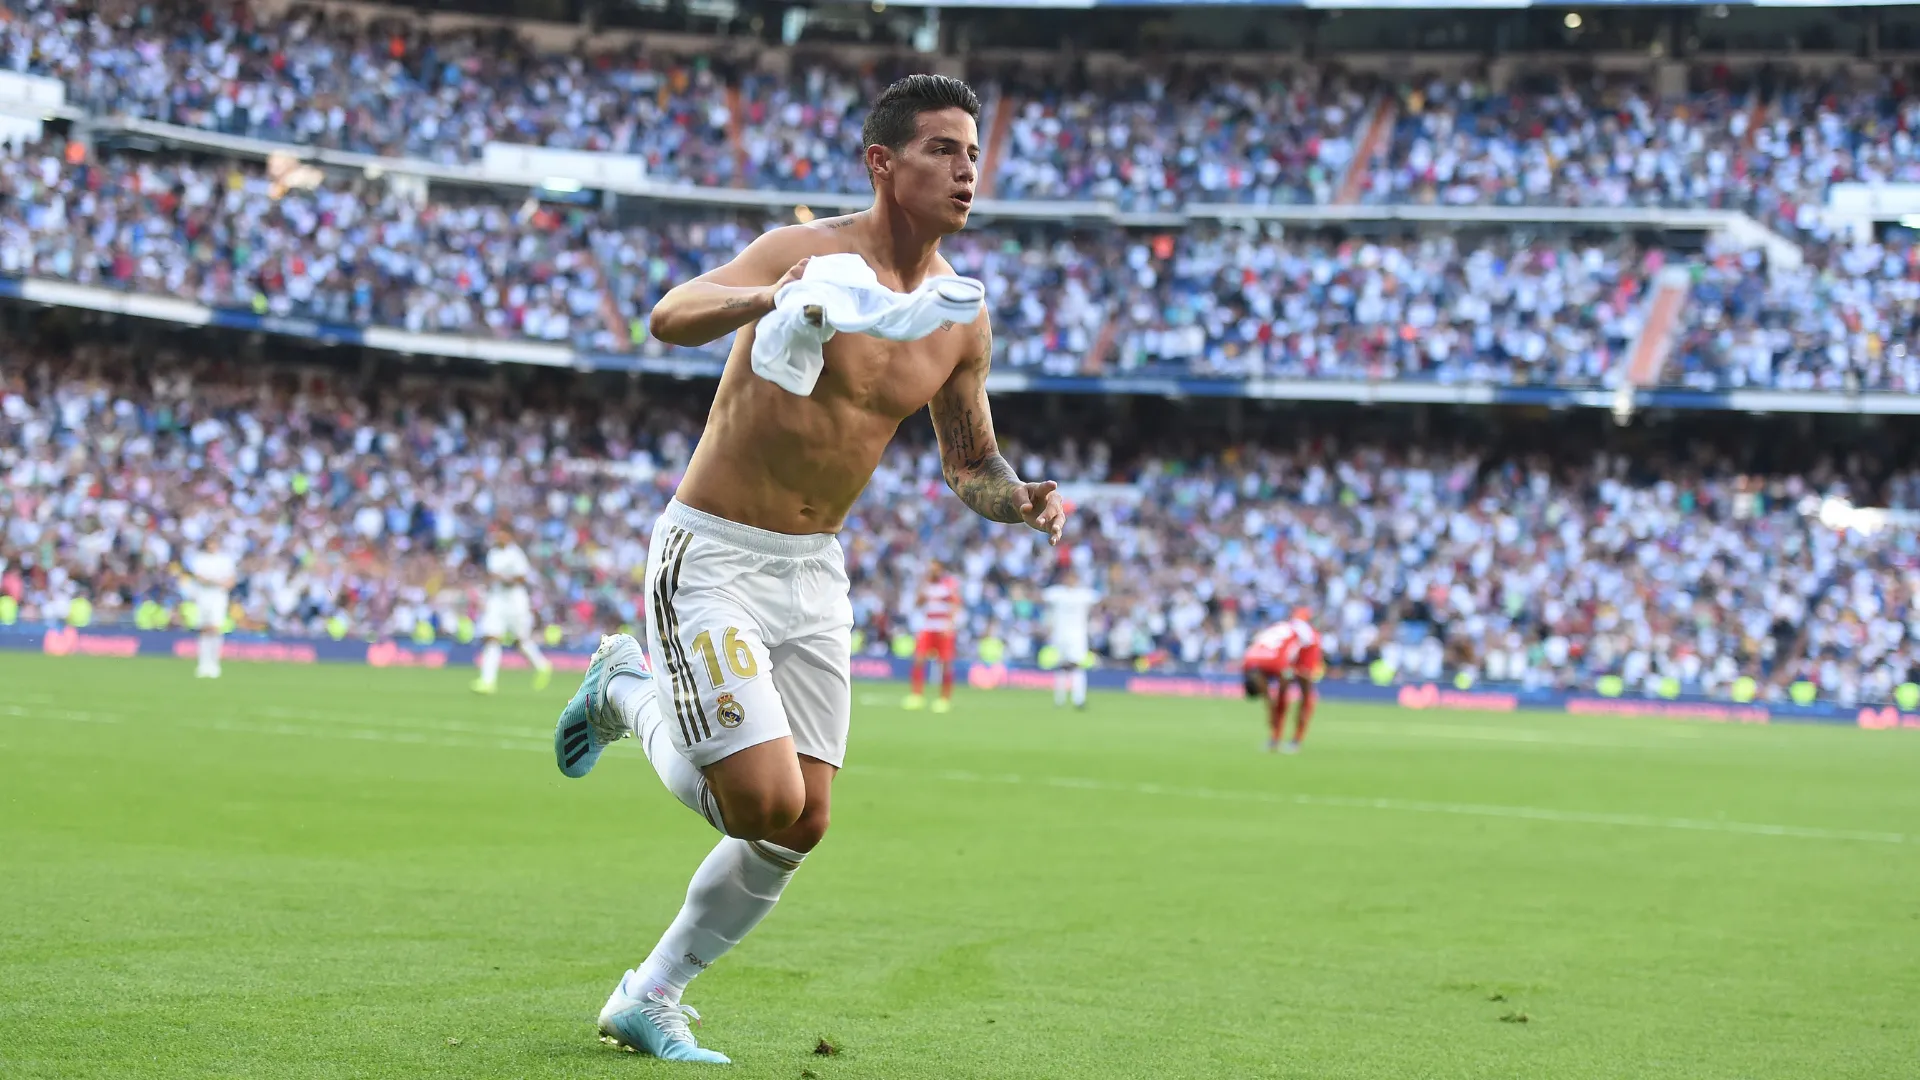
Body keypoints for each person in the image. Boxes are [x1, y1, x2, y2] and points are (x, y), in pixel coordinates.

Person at [546, 74, 1068, 1064]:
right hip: (712, 553)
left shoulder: (958, 314)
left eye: (971, 152)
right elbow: (670, 315)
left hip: (813, 571)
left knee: (802, 821)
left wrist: (1022, 500)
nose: (967, 169)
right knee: (754, 801)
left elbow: (969, 463)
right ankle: (624, 685)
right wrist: (765, 297)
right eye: (942, 150)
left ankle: (648, 996)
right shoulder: (803, 254)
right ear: (884, 164)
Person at [472, 524, 552, 693]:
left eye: (502, 534)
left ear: (509, 536)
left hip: (515, 600)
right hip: (497, 599)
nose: (498, 537)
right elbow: (491, 575)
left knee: (520, 641)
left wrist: (504, 578)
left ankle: (542, 665)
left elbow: (522, 578)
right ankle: (487, 682)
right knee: (491, 637)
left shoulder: (516, 554)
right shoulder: (493, 553)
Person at [1242, 608, 1324, 753]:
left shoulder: (1260, 661)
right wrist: (1269, 706)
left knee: (1299, 690)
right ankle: (1276, 739)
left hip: (1307, 645)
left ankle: (1295, 740)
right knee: (1279, 698)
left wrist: (1271, 710)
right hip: (1285, 648)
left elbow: (1282, 687)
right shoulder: (1249, 661)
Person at [902, 560, 961, 712]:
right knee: (919, 659)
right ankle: (917, 696)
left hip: (943, 628)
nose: (931, 570)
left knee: (946, 663)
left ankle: (944, 699)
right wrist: (922, 589)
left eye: (934, 567)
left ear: (940, 568)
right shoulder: (926, 584)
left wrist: (950, 625)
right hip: (928, 627)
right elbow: (918, 604)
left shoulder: (948, 584)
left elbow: (955, 604)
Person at [1043, 567, 1100, 709]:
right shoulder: (1056, 592)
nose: (1070, 580)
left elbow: (1102, 600)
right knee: (1061, 667)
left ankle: (1079, 699)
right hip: (1060, 635)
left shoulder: (1083, 594)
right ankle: (1059, 700)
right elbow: (1039, 596)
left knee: (1077, 666)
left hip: (1077, 637)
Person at [184, 538, 236, 678]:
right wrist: (217, 582)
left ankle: (214, 663)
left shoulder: (225, 560)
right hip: (203, 597)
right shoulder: (200, 559)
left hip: (218, 598)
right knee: (204, 629)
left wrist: (217, 583)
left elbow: (231, 580)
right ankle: (203, 663)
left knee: (215, 628)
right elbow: (199, 578)